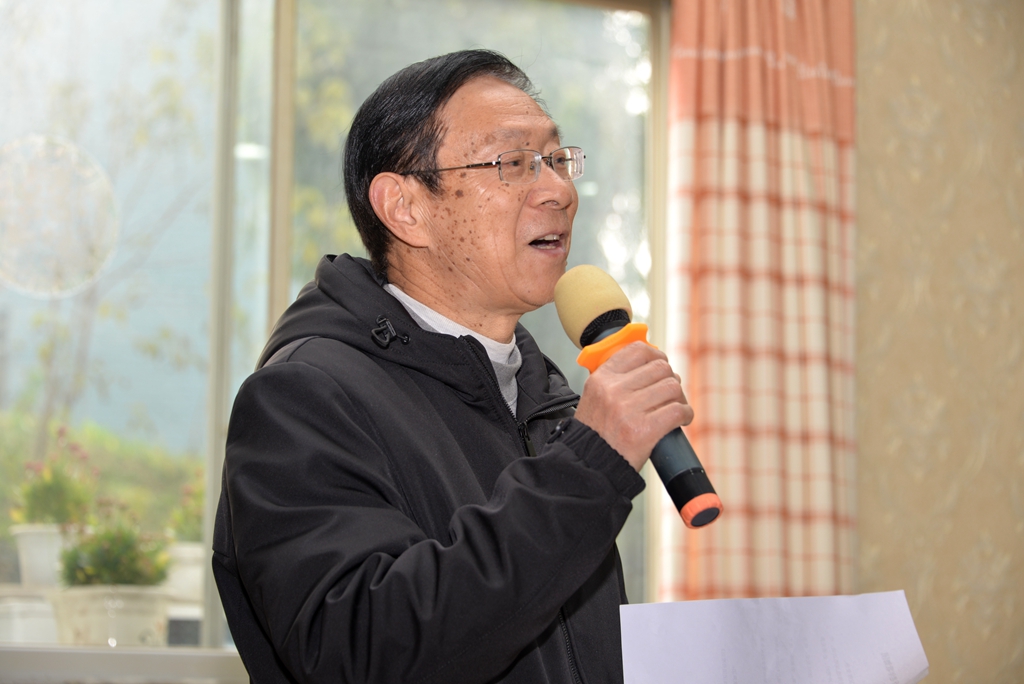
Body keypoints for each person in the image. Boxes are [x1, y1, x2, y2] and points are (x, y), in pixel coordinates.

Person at [213, 49, 692, 684]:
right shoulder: (302, 398)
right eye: (513, 163)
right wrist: (588, 470)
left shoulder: (543, 396)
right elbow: (363, 652)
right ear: (404, 208)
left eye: (557, 160)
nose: (560, 191)